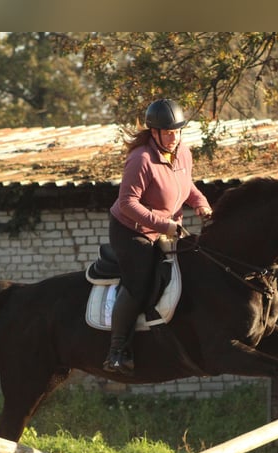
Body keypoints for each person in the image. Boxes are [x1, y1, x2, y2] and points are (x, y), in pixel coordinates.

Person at [103, 98, 213, 375]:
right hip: (131, 231)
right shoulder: (141, 159)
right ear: (154, 133)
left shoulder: (183, 152)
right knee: (140, 282)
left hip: (167, 229)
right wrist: (164, 225)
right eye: (168, 132)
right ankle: (117, 350)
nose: (173, 137)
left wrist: (201, 203)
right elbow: (128, 203)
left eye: (177, 132)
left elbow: (186, 186)